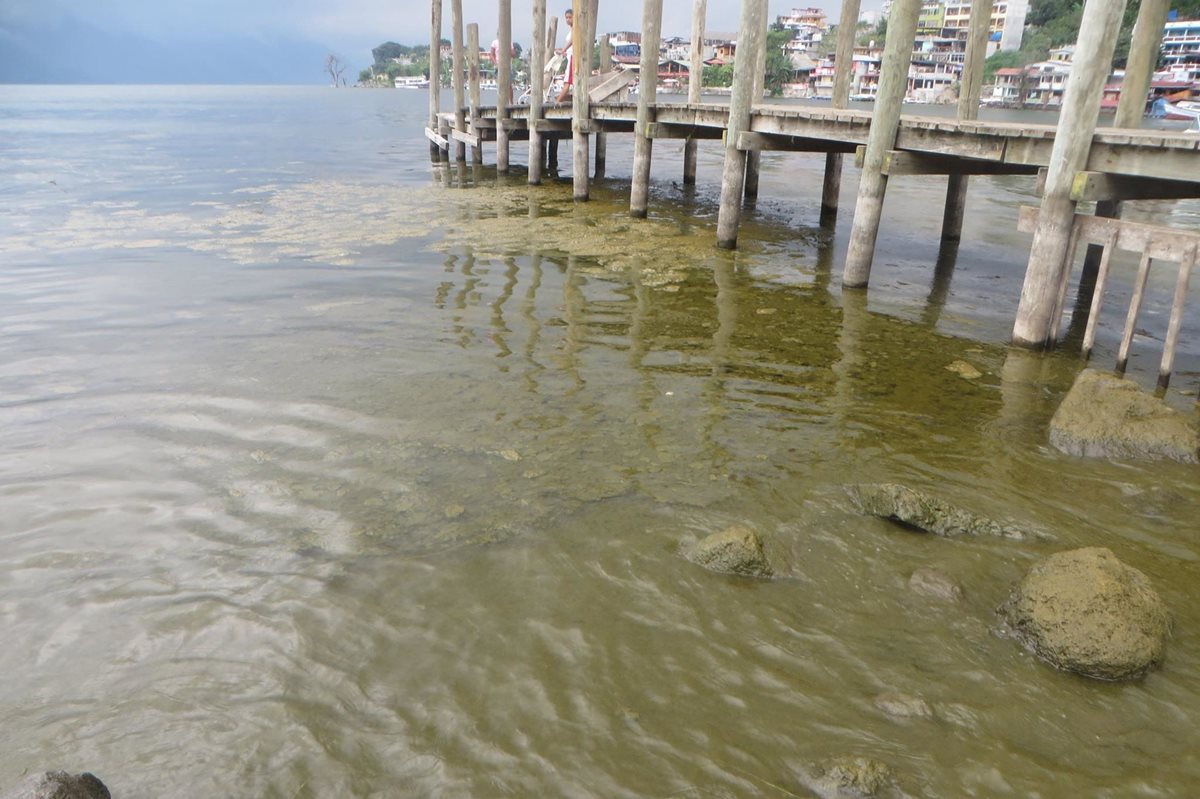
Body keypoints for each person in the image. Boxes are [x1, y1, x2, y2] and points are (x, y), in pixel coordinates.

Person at [555, 8, 574, 103]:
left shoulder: (576, 29)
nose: (568, 19)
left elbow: (573, 40)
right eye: (566, 18)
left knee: (567, 82)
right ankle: (558, 101)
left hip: (573, 58)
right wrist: (562, 51)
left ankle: (557, 102)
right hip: (569, 56)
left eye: (570, 17)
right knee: (567, 81)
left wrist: (563, 50)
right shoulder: (571, 30)